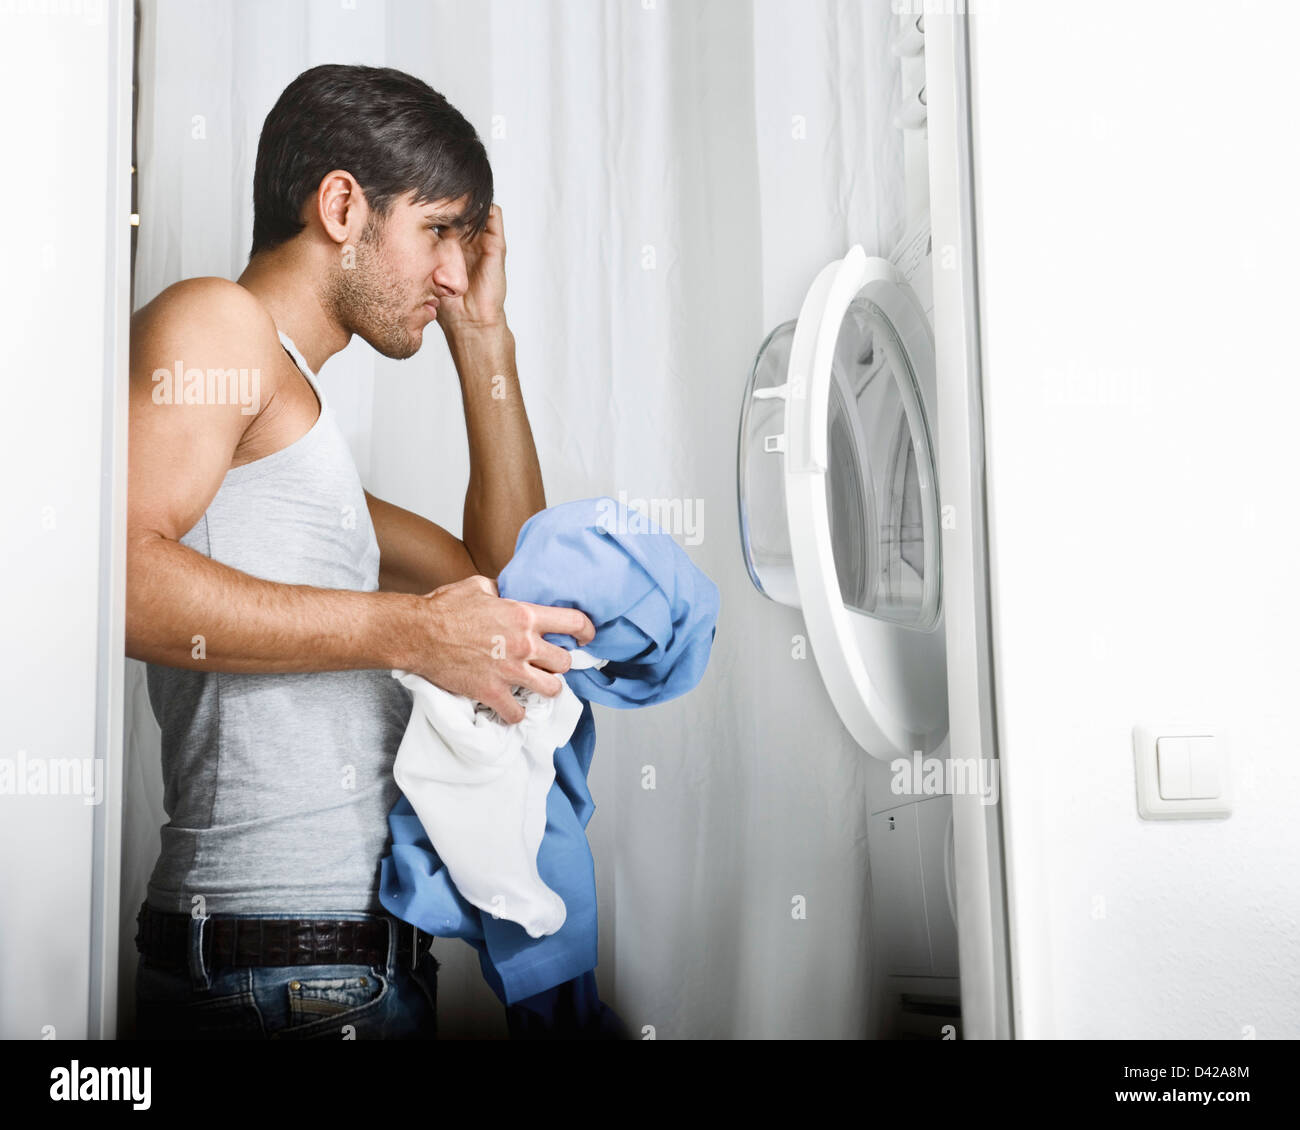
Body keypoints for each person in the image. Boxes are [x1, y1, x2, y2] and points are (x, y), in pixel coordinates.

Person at [127, 63, 593, 1040]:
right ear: (343, 204)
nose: (451, 270)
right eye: (436, 231)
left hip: (335, 968)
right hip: (279, 969)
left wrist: (482, 335)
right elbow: (116, 576)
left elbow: (510, 580)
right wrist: (411, 632)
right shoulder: (218, 322)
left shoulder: (306, 451)